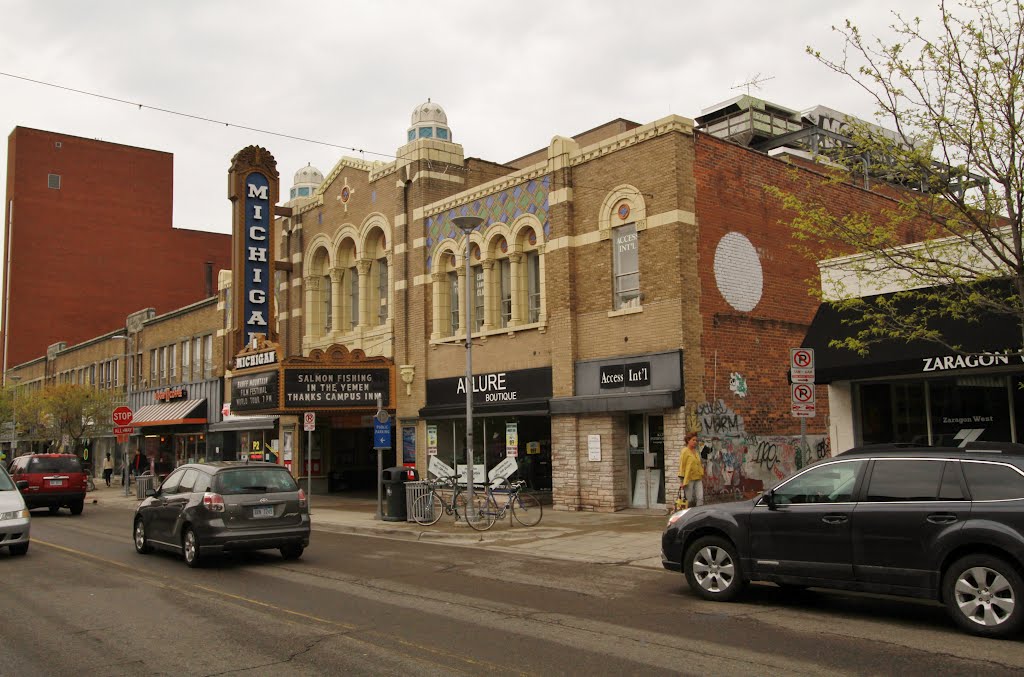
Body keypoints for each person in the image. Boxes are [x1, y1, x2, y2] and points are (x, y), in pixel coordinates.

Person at [677, 431, 705, 508]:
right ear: (688, 440)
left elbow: (698, 463)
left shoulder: (696, 451)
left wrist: (702, 472)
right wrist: (682, 481)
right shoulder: (685, 451)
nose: (695, 442)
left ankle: (699, 513)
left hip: (698, 477)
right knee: (689, 500)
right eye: (693, 440)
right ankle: (689, 515)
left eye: (696, 440)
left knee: (700, 497)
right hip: (689, 479)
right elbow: (682, 466)